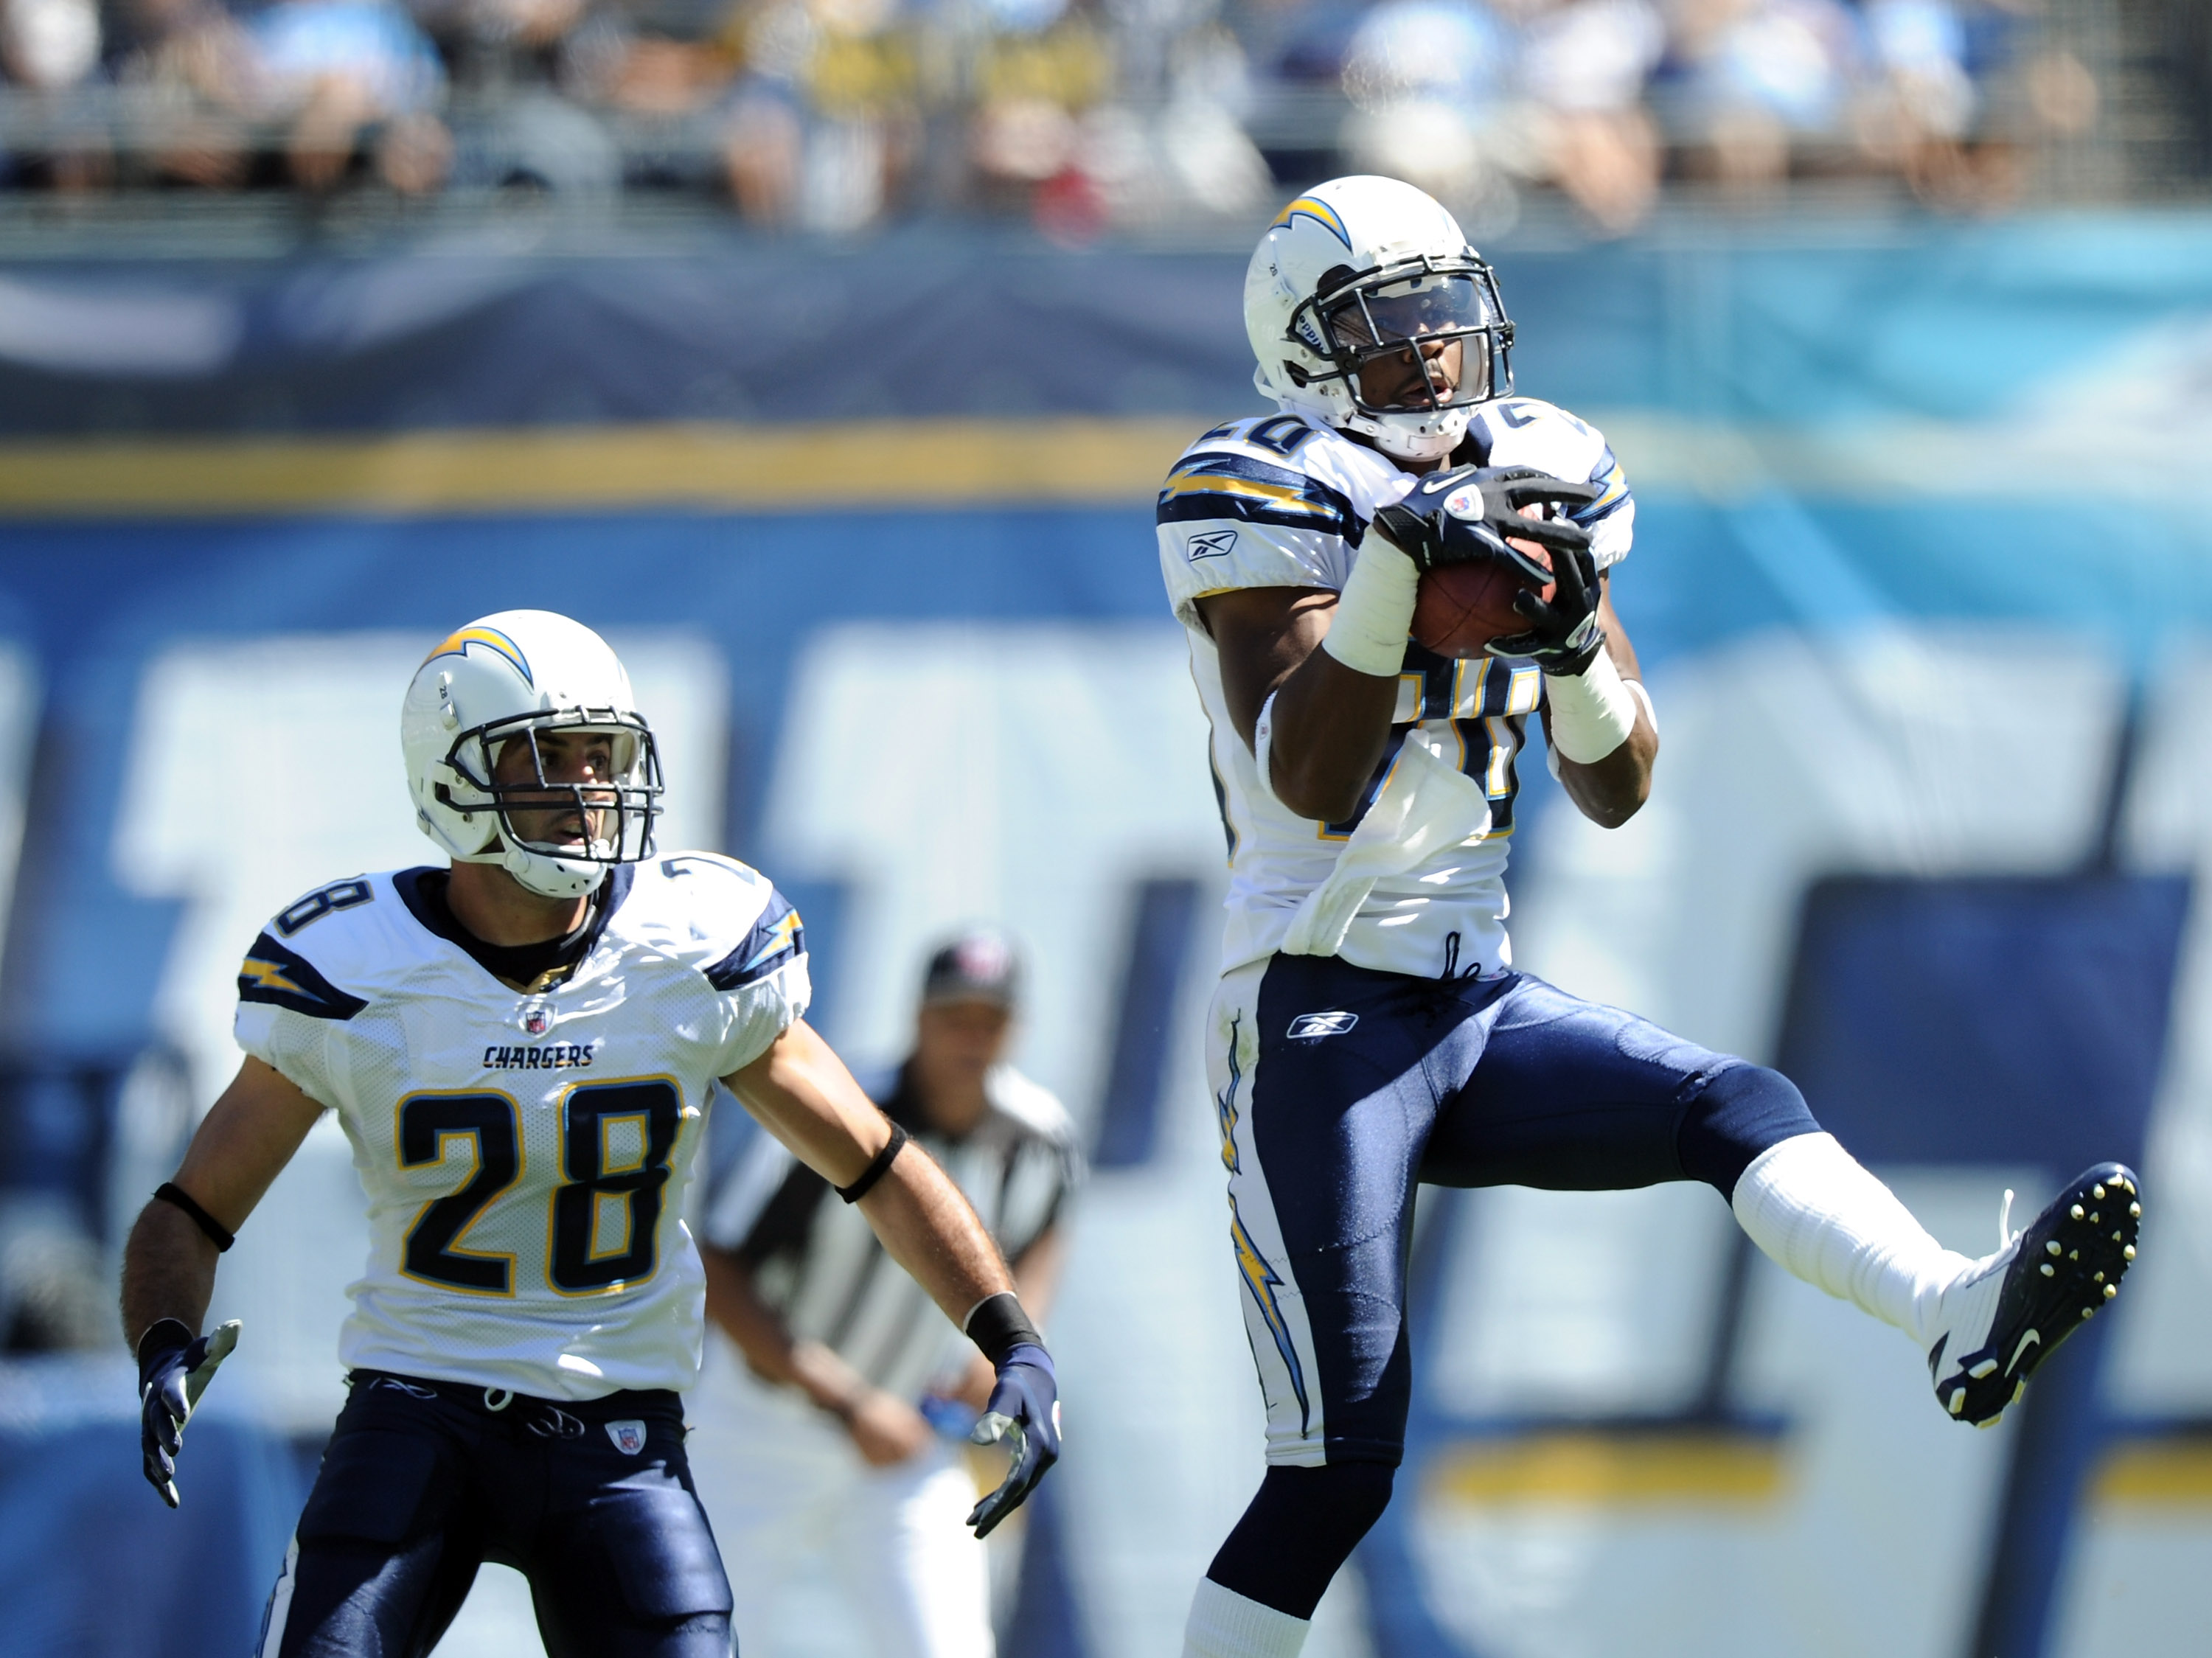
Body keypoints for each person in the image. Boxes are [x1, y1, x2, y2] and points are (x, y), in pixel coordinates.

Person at [1156, 175, 2141, 1658]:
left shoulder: (1543, 462)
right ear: (1302, 351)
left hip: (1469, 994)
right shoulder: (1261, 481)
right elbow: (1308, 783)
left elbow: (1618, 784)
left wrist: (1567, 649)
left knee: (1732, 1101)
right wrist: (1397, 564)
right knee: (1335, 1471)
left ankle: (1952, 1306)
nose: (1431, 355)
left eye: (1444, 315)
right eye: (1389, 325)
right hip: (1313, 1011)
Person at [119, 609, 1060, 1658]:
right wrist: (162, 1338)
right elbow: (195, 1209)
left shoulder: (688, 947)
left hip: (620, 1431)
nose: (586, 790)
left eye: (600, 755)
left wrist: (1009, 1334)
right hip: (417, 1409)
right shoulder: (355, 968)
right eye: (545, 758)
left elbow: (880, 1166)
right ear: (452, 777)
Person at [688, 927, 1082, 1658]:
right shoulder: (843, 1113)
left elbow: (1046, 1231)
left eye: (990, 1020)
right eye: (955, 1016)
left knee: (951, 1644)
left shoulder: (1038, 1136)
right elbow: (721, 1268)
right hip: (760, 1427)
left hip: (907, 1435)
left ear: (1016, 1027)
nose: (972, 1037)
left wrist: (1013, 1342)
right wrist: (844, 1397)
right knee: (703, 1639)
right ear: (919, 1017)